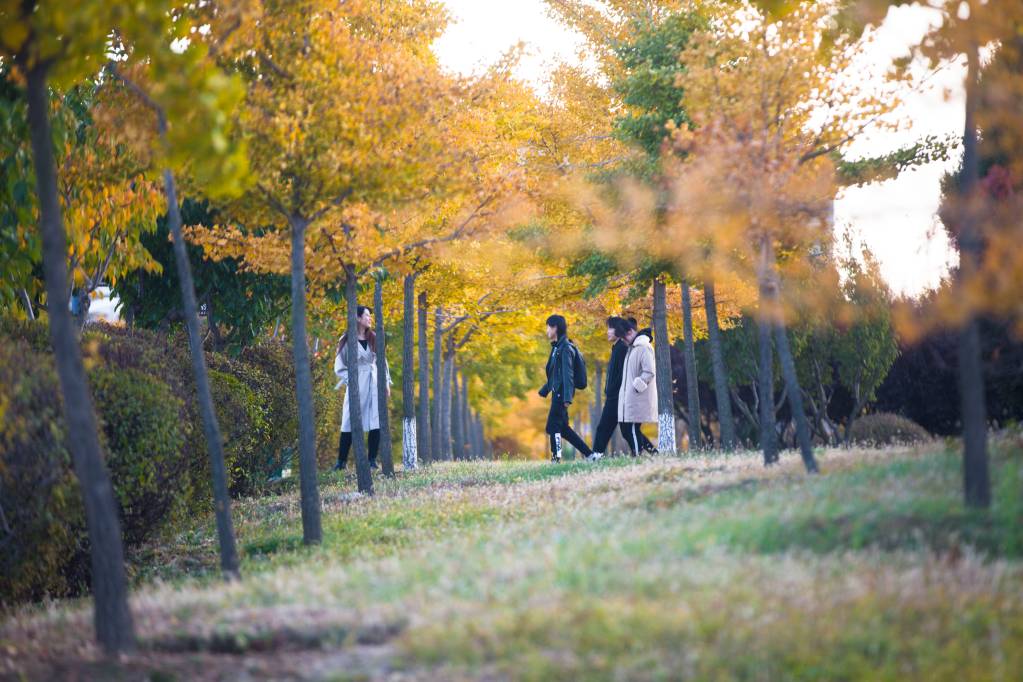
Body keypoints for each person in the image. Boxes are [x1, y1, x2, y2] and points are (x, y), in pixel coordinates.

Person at [334, 305, 391, 471]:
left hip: (374, 383)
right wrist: (350, 380)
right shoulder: (346, 339)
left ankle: (372, 460)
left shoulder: (374, 338)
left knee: (376, 420)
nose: (369, 318)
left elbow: (383, 362)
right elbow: (339, 365)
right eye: (366, 315)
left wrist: (386, 382)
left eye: (370, 315)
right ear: (358, 318)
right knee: (348, 420)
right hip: (356, 384)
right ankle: (341, 462)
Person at [539, 314, 593, 462]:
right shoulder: (557, 347)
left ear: (555, 328)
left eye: (548, 327)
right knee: (564, 429)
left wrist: (567, 397)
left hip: (562, 394)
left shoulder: (565, 348)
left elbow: (567, 375)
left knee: (553, 426)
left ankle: (556, 458)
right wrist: (545, 389)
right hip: (557, 392)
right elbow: (555, 374)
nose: (547, 330)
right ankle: (590, 455)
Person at [589, 316, 631, 460]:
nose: (607, 332)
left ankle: (595, 456)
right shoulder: (617, 348)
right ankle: (653, 453)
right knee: (627, 431)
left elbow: (622, 375)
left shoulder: (622, 349)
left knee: (604, 427)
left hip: (616, 397)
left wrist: (612, 390)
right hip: (615, 396)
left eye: (610, 328)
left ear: (618, 330)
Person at [619, 319, 658, 456]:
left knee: (632, 429)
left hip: (638, 396)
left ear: (630, 332)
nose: (623, 340)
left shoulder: (643, 347)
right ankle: (653, 454)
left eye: (623, 337)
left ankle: (637, 456)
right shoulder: (633, 348)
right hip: (631, 397)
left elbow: (649, 372)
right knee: (629, 429)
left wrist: (636, 387)